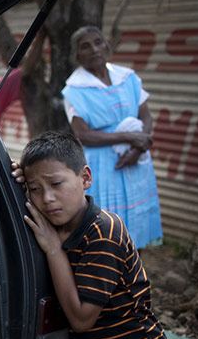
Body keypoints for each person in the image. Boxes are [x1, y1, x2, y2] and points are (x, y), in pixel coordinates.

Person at [13, 131, 182, 339]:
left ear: (85, 178)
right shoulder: (54, 222)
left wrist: (54, 250)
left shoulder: (104, 233)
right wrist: (16, 176)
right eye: (36, 189)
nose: (47, 199)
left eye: (57, 184)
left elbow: (81, 318)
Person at [62, 25, 162, 249]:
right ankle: (112, 278)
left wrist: (137, 149)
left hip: (136, 159)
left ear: (106, 46)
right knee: (110, 227)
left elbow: (146, 116)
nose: (94, 49)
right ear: (77, 55)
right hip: (105, 165)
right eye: (85, 47)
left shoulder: (128, 77)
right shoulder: (74, 90)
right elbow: (83, 135)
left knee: (137, 221)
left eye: (98, 43)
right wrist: (129, 137)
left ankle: (134, 278)